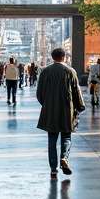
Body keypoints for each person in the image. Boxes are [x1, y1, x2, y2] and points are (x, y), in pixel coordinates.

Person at [36, 46, 85, 178]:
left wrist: (46, 104)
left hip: (50, 110)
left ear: (53, 57)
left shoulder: (45, 72)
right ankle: (64, 158)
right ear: (64, 57)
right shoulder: (70, 71)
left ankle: (53, 168)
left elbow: (39, 94)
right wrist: (80, 106)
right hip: (66, 109)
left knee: (52, 139)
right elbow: (76, 91)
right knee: (66, 136)